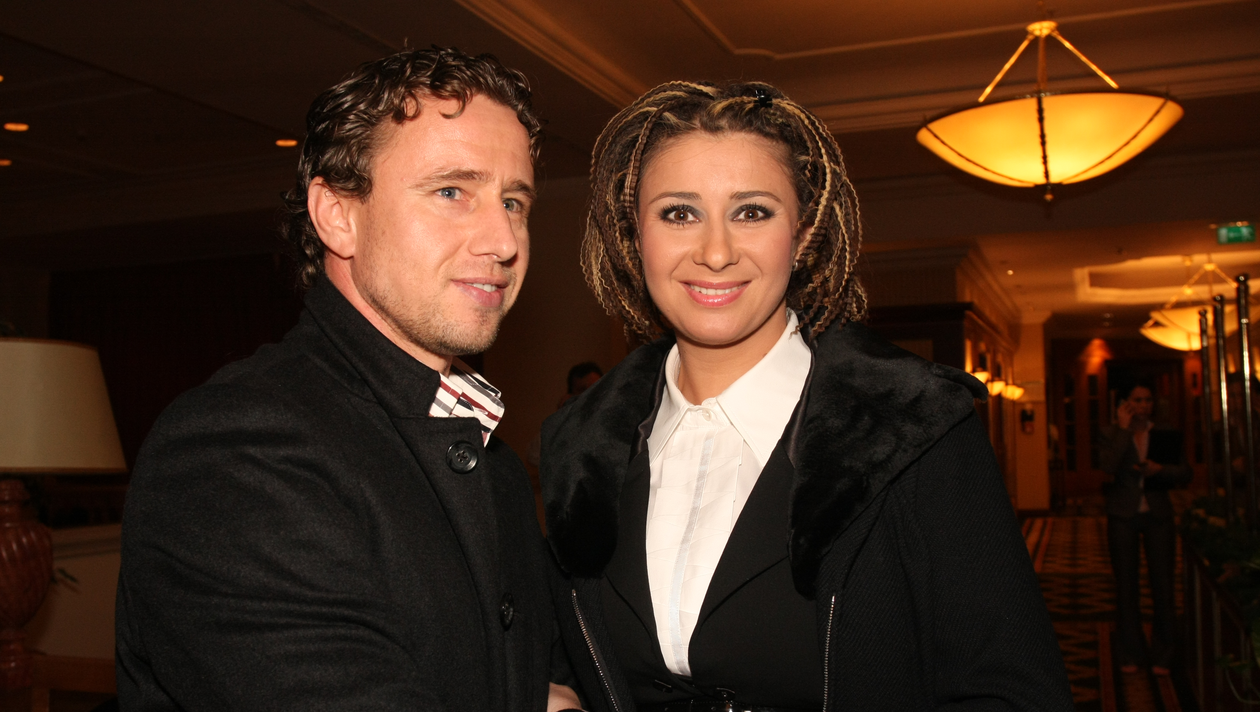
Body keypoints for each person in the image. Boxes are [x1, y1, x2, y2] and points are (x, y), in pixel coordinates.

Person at [540, 81, 1073, 711]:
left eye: (752, 212)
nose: (716, 252)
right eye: (679, 213)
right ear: (635, 235)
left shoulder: (915, 426)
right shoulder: (579, 441)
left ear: (805, 233)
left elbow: (1012, 691)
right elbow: (562, 658)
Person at [116, 48, 580, 711]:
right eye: (452, 192)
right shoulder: (235, 450)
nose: (504, 240)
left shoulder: (492, 462)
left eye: (514, 201)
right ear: (337, 215)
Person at [1100, 381, 1191, 675]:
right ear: (1125, 403)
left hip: (1158, 514)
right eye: (1137, 400)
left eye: (1147, 400)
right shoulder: (1111, 432)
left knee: (1163, 584)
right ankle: (1130, 652)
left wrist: (1160, 470)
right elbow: (1108, 466)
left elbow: (1185, 472)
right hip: (1123, 514)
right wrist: (1123, 429)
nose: (1143, 405)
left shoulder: (1164, 432)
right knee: (1126, 585)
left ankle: (1164, 654)